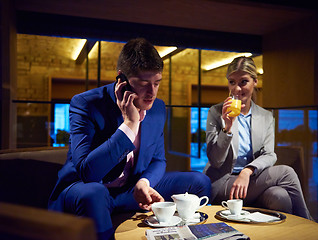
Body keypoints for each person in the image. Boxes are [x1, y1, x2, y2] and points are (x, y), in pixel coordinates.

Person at [48, 38, 211, 240]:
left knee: (198, 182)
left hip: (130, 190)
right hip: (86, 188)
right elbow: (87, 172)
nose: (152, 92)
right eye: (143, 84)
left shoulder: (158, 108)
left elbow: (159, 160)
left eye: (157, 83)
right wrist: (130, 125)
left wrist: (144, 182)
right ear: (121, 79)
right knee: (94, 194)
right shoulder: (85, 104)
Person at [204, 56, 311, 219]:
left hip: (252, 181)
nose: (237, 89)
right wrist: (227, 127)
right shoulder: (216, 112)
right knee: (287, 173)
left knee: (279, 196)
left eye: (243, 82)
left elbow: (269, 154)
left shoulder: (266, 116)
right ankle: (307, 224)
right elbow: (216, 161)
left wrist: (247, 171)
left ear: (255, 82)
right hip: (224, 183)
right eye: (232, 82)